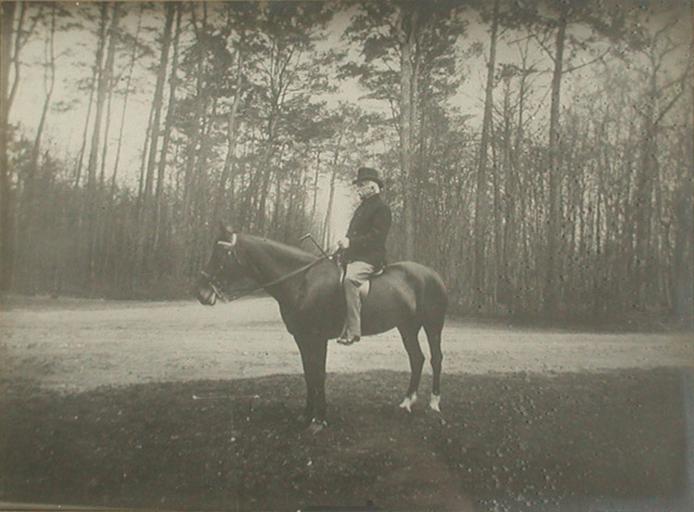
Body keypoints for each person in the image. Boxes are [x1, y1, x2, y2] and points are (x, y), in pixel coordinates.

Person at [336, 167, 392, 345]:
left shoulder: (381, 208)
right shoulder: (362, 208)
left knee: (350, 280)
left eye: (362, 185)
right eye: (359, 186)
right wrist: (342, 247)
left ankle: (353, 330)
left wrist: (351, 243)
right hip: (354, 256)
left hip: (370, 258)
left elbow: (377, 237)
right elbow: (353, 234)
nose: (359, 189)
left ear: (373, 187)